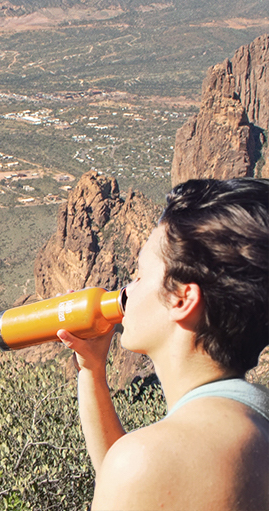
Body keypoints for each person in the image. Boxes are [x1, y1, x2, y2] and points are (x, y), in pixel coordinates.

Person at [57, 178, 269, 511]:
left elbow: (134, 477)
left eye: (140, 276)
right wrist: (92, 371)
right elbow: (136, 488)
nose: (126, 292)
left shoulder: (147, 461)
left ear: (183, 299)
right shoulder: (255, 422)